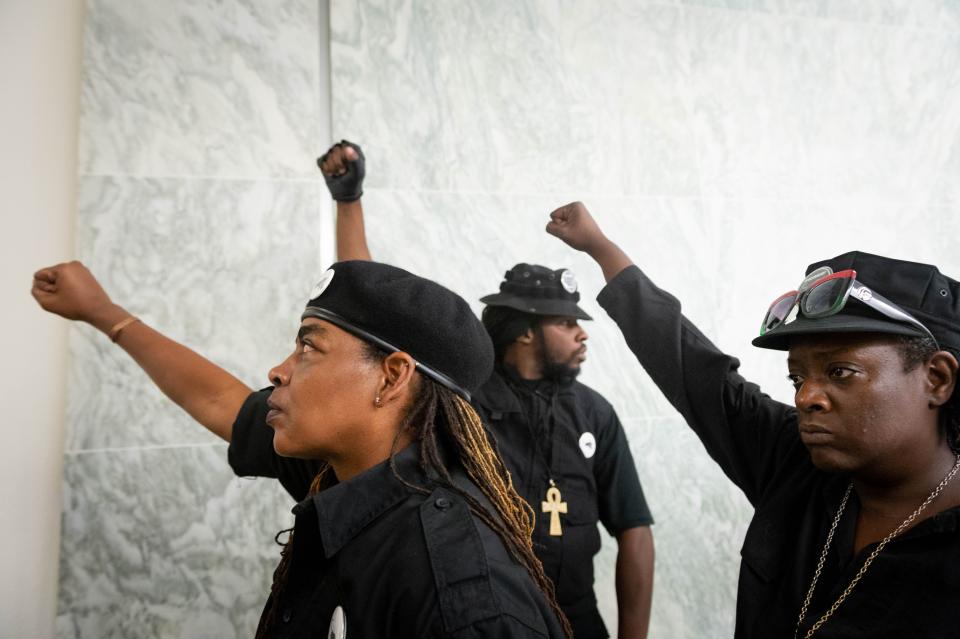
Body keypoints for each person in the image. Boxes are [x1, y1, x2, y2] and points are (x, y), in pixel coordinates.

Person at [32, 259, 571, 638]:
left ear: (392, 376)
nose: (278, 371)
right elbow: (220, 400)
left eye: (309, 346)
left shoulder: (458, 586)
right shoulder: (348, 478)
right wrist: (104, 313)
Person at [545, 201, 960, 638]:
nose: (806, 396)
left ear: (936, 378)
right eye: (797, 377)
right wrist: (600, 247)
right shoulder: (795, 462)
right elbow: (693, 370)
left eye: (840, 372)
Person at [318, 141, 655, 639]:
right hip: (492, 621)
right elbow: (373, 312)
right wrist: (349, 201)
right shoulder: (462, 403)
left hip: (581, 625)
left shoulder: (595, 413)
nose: (583, 333)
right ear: (524, 331)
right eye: (566, 323)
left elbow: (635, 531)